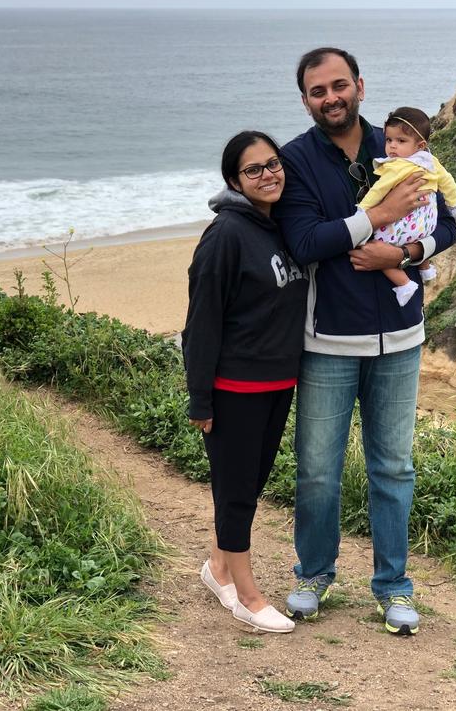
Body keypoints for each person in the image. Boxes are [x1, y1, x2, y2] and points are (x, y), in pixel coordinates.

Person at [272, 48, 456, 636]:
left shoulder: (400, 144)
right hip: (327, 339)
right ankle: (314, 575)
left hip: (402, 338)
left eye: (339, 85)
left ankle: (394, 585)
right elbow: (304, 240)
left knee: (394, 469)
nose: (331, 98)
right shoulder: (296, 160)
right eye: (317, 91)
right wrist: (375, 221)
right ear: (305, 100)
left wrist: (402, 253)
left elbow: (446, 223)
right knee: (319, 472)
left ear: (359, 85)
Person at [182, 130, 308, 634]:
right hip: (235, 387)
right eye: (253, 170)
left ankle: (218, 568)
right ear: (235, 180)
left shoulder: (279, 226)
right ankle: (248, 597)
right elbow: (202, 322)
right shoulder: (226, 235)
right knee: (235, 493)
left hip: (278, 383)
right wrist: (200, 398)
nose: (267, 174)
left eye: (272, 163)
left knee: (250, 486)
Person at [357, 106, 456, 306]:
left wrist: (362, 210)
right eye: (389, 140)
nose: (392, 147)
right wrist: (455, 202)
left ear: (420, 144)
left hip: (406, 222)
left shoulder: (397, 166)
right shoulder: (430, 161)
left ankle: (404, 283)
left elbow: (378, 190)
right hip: (427, 220)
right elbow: (447, 181)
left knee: (374, 245)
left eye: (401, 141)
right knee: (420, 238)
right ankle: (425, 267)